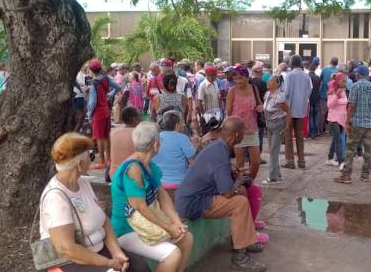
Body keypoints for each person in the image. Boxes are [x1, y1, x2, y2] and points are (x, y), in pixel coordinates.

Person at [39, 132, 150, 272]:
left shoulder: (83, 183)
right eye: (90, 156)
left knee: (139, 266)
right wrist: (108, 263)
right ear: (80, 164)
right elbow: (67, 249)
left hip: (97, 250)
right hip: (70, 261)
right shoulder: (56, 198)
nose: (92, 159)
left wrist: (117, 252)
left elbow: (104, 221)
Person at [174, 117, 266, 272]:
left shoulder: (218, 147)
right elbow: (228, 192)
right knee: (239, 203)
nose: (245, 135)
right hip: (193, 203)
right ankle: (239, 258)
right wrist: (238, 182)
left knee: (242, 195)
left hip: (193, 198)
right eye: (243, 132)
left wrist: (235, 177)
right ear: (237, 135)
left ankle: (244, 241)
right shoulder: (220, 152)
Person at [110, 122, 194, 272]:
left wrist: (177, 223)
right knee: (172, 255)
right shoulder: (133, 169)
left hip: (146, 226)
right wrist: (169, 227)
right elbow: (140, 207)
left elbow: (162, 196)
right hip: (127, 230)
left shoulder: (149, 166)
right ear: (156, 145)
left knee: (186, 238)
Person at [334, 65, 371, 184]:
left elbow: (351, 105)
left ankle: (346, 175)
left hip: (357, 122)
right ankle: (365, 175)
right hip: (369, 123)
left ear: (358, 75)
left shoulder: (355, 86)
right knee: (368, 150)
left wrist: (347, 121)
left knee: (351, 148)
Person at [226, 67, 262, 179]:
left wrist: (260, 107)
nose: (238, 81)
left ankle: (250, 181)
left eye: (241, 78)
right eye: (235, 79)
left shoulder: (254, 89)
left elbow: (260, 103)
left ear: (247, 77)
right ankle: (240, 185)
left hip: (252, 130)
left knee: (256, 162)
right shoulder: (232, 91)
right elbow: (228, 111)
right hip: (238, 132)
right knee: (240, 163)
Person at [87, 59, 121, 169]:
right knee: (106, 135)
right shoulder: (106, 78)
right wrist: (110, 95)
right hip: (106, 110)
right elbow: (118, 87)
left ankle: (102, 161)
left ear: (91, 70)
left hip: (98, 113)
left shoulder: (94, 84)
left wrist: (89, 114)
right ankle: (109, 159)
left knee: (99, 137)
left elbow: (92, 102)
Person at [282, 55, 312, 169]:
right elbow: (309, 91)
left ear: (291, 63)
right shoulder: (306, 76)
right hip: (301, 109)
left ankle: (290, 161)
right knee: (299, 135)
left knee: (288, 136)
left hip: (290, 109)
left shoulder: (290, 76)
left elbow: (286, 93)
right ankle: (301, 160)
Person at [154, 110, 196, 188]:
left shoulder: (157, 137)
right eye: (181, 123)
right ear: (177, 125)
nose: (183, 125)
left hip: (159, 184)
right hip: (179, 184)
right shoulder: (182, 138)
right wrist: (196, 146)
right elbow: (193, 162)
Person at [262, 75, 291, 184]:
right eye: (268, 81)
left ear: (277, 84)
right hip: (269, 125)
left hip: (278, 124)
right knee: (272, 150)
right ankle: (277, 174)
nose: (268, 83)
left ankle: (272, 177)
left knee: (274, 151)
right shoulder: (267, 94)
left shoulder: (279, 96)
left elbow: (288, 112)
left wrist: (287, 127)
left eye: (271, 82)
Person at [109, 107, 142, 179]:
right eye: (139, 115)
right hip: (131, 176)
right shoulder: (140, 134)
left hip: (114, 174)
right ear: (134, 119)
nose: (141, 118)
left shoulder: (114, 133)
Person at [326, 72, 347, 168]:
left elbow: (345, 102)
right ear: (338, 81)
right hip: (334, 118)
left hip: (342, 118)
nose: (345, 82)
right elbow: (329, 105)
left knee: (335, 139)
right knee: (338, 140)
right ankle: (341, 161)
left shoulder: (343, 90)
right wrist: (336, 96)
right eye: (343, 81)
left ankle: (330, 158)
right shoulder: (332, 91)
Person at [250, 64, 268, 153]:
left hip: (249, 111)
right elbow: (266, 98)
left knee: (250, 134)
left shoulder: (249, 82)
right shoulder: (263, 84)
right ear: (260, 72)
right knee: (259, 134)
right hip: (259, 111)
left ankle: (248, 155)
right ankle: (257, 156)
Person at [319, 57, 338, 134]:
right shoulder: (338, 72)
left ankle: (321, 129)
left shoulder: (325, 69)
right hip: (334, 96)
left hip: (324, 94)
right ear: (337, 63)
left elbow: (320, 80)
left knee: (323, 113)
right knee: (332, 113)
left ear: (330, 62)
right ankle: (331, 130)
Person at [307, 61, 321, 138]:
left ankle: (312, 132)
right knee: (316, 116)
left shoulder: (307, 77)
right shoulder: (317, 77)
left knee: (311, 116)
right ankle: (316, 131)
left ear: (309, 68)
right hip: (316, 98)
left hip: (310, 98)